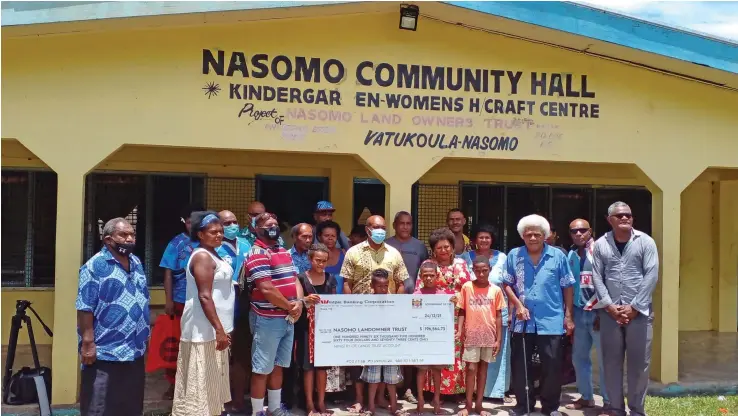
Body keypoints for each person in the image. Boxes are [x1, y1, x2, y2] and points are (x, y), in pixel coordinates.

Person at [503, 214, 575, 416]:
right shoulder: (514, 255)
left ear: (545, 236)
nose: (532, 238)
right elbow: (507, 283)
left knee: (552, 366)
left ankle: (550, 407)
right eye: (528, 235)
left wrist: (568, 316)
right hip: (522, 322)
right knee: (521, 366)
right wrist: (517, 305)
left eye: (536, 234)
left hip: (551, 319)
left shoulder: (558, 256)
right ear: (522, 236)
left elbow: (567, 286)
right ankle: (523, 405)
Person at [77, 218, 150, 416]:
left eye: (132, 235)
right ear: (108, 239)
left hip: (133, 349)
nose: (129, 239)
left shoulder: (136, 262)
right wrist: (88, 342)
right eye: (123, 235)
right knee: (99, 407)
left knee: (129, 406)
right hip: (105, 351)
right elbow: (85, 307)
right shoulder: (94, 267)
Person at [592, 202, 659, 416]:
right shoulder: (601, 244)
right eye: (619, 216)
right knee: (611, 364)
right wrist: (609, 306)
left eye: (628, 215)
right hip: (610, 314)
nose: (624, 219)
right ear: (609, 219)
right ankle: (615, 408)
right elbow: (597, 276)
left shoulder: (645, 242)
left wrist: (636, 307)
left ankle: (637, 410)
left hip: (639, 314)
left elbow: (651, 275)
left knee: (639, 365)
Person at [341, 215, 410, 413]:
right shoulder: (354, 252)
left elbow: (400, 282)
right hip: (360, 314)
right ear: (368, 229)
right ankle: (359, 399)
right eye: (376, 227)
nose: (380, 230)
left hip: (385, 315)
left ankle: (380, 397)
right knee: (358, 358)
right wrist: (351, 308)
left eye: (383, 227)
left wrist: (396, 307)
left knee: (382, 355)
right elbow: (347, 282)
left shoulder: (394, 253)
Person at [171, 211, 235, 416]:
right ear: (200, 234)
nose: (219, 235)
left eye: (221, 232)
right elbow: (205, 296)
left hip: (216, 327)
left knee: (212, 381)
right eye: (213, 232)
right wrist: (219, 329)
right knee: (201, 381)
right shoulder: (202, 257)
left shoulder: (215, 253)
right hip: (203, 327)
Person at [242, 212, 304, 416]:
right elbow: (266, 289)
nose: (273, 226)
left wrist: (299, 304)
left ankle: (275, 408)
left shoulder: (283, 251)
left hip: (287, 318)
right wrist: (290, 306)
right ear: (256, 229)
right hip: (267, 319)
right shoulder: (257, 252)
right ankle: (258, 412)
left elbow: (294, 279)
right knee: (261, 369)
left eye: (275, 223)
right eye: (267, 224)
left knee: (278, 366)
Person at [416, 228, 471, 398]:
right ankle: (433, 392)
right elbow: (419, 289)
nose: (444, 251)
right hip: (433, 319)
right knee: (434, 353)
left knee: (455, 353)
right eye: (439, 248)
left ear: (453, 247)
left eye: (447, 247)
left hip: (457, 317)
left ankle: (454, 391)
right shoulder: (427, 265)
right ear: (433, 249)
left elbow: (469, 289)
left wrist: (458, 298)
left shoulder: (461, 264)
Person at [459, 224, 510, 404]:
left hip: (494, 316)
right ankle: (469, 398)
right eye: (480, 237)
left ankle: (494, 393)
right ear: (474, 240)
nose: (484, 240)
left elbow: (507, 284)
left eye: (487, 237)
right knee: (472, 366)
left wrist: (511, 310)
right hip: (472, 321)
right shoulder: (465, 258)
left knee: (494, 358)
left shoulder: (502, 258)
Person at [159, 204, 202, 398]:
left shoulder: (209, 242)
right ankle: (174, 384)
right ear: (184, 222)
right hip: (181, 300)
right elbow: (167, 272)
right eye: (189, 222)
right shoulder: (176, 243)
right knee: (178, 342)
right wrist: (168, 300)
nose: (192, 225)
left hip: (205, 302)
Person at [565, 219, 609, 411]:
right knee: (579, 358)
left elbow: (610, 282)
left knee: (606, 360)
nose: (579, 234)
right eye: (574, 231)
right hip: (578, 312)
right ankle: (586, 397)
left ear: (590, 231)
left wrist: (604, 312)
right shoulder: (572, 254)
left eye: (583, 230)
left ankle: (610, 402)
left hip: (599, 313)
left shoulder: (600, 251)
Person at [385, 211, 428, 404]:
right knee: (390, 346)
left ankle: (408, 388)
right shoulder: (386, 244)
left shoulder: (419, 246)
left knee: (411, 347)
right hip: (389, 302)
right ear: (394, 225)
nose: (404, 227)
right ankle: (390, 388)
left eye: (408, 223)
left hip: (413, 304)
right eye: (401, 223)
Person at [295, 243, 341, 416]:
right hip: (306, 329)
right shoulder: (301, 278)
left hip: (324, 330)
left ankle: (321, 402)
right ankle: (309, 404)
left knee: (322, 368)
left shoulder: (331, 279)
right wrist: (307, 299)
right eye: (317, 261)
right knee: (308, 368)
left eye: (324, 261)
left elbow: (335, 303)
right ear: (310, 259)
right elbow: (297, 302)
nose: (321, 264)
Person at [457, 256, 506, 416]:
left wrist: (498, 339)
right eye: (477, 270)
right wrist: (459, 329)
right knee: (471, 369)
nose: (481, 273)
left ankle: (479, 404)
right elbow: (462, 310)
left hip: (488, 335)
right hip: (471, 334)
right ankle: (468, 404)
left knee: (483, 369)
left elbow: (498, 315)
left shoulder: (496, 290)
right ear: (473, 270)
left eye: (484, 270)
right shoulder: (467, 287)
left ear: (490, 270)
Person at [218, 210, 252, 414]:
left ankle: (239, 400)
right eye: (227, 222)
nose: (232, 225)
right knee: (220, 358)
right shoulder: (213, 248)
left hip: (243, 310)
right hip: (220, 311)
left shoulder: (246, 244)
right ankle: (220, 398)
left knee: (241, 357)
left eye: (234, 221)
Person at [361, 269, 406, 416]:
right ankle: (371, 407)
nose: (383, 289)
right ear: (372, 286)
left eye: (386, 286)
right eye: (380, 286)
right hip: (373, 345)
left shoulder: (394, 301)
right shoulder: (366, 301)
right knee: (373, 380)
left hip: (390, 346)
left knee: (391, 380)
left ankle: (394, 407)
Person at [413, 260, 454, 415]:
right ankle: (421, 400)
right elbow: (413, 316)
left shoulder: (444, 296)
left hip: (437, 338)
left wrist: (453, 304)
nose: (429, 278)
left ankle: (437, 399)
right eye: (426, 276)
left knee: (437, 370)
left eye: (431, 275)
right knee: (421, 371)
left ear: (437, 276)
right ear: (421, 277)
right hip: (422, 338)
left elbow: (448, 317)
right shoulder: (416, 296)